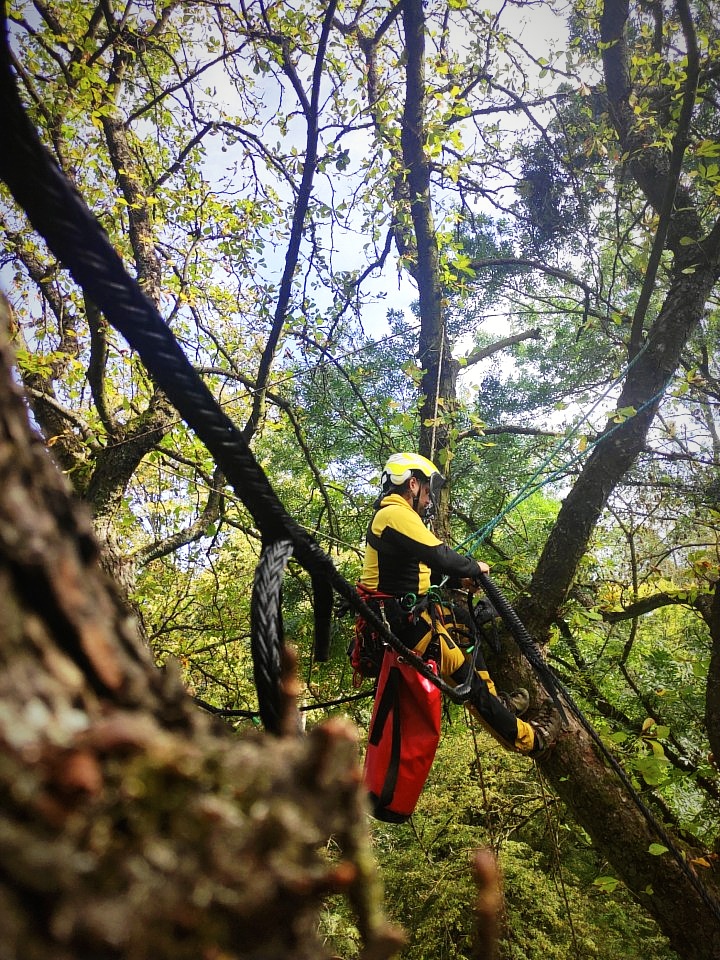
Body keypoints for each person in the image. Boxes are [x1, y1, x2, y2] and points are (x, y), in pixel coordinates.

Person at [358, 451, 561, 758]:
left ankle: (499, 702)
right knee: (467, 679)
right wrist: (472, 568)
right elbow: (438, 555)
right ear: (412, 485)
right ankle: (532, 740)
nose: (429, 500)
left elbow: (425, 570)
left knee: (464, 622)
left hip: (411, 616)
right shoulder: (393, 513)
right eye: (427, 492)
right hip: (406, 628)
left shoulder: (398, 518)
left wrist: (458, 581)